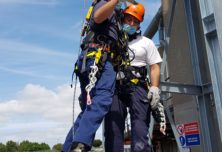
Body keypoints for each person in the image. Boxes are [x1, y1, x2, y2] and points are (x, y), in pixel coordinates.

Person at [61, 0, 125, 151]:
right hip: (99, 59)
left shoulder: (110, 14)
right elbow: (98, 17)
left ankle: (70, 147)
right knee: (102, 98)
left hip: (90, 59)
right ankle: (80, 144)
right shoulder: (104, 4)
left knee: (88, 110)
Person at [104, 3, 166, 152]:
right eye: (128, 19)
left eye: (135, 21)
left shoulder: (146, 43)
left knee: (140, 128)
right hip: (115, 87)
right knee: (112, 128)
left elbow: (154, 66)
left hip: (137, 86)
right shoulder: (113, 41)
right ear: (122, 18)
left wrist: (155, 88)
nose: (131, 23)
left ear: (139, 23)